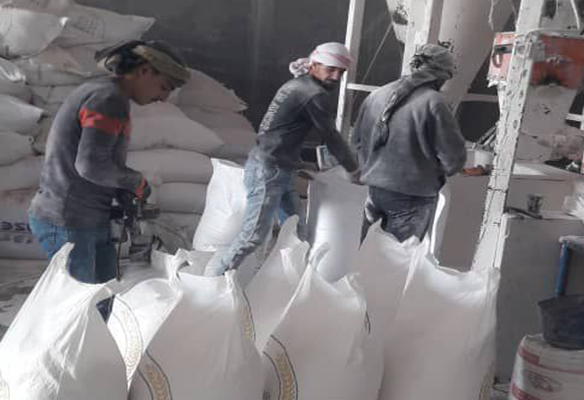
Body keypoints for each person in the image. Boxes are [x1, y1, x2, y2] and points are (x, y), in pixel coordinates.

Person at [28, 40, 190, 318]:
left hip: (86, 218)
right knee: (79, 312)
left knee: (104, 300)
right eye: (164, 87)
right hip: (68, 221)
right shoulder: (107, 99)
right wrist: (136, 182)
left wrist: (122, 192)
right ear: (144, 71)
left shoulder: (108, 95)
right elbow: (90, 165)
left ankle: (101, 345)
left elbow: (101, 163)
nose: (164, 98)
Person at [204, 42, 359, 278]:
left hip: (277, 167)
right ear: (314, 65)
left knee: (296, 232)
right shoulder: (312, 94)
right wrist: (353, 170)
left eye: (341, 72)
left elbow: (280, 132)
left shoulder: (296, 85)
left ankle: (284, 282)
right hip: (268, 170)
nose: (336, 76)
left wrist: (298, 164)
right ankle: (211, 283)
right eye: (331, 69)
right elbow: (332, 137)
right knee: (253, 236)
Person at [352, 43, 466, 243]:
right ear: (441, 75)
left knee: (368, 250)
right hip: (412, 195)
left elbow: (356, 141)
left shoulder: (376, 95)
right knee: (400, 255)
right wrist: (444, 170)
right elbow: (453, 157)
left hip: (374, 190)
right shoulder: (434, 102)